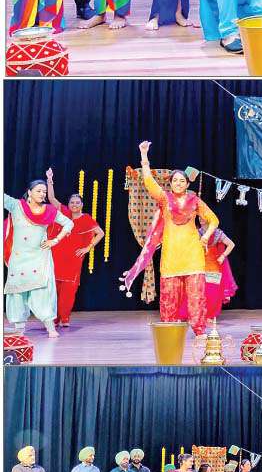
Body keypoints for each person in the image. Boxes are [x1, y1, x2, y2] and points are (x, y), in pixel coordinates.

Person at [121, 141, 219, 338]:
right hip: (171, 256)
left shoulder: (195, 201)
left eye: (182, 181)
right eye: (175, 180)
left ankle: (199, 331)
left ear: (188, 184)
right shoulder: (164, 199)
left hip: (193, 255)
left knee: (196, 296)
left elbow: (214, 220)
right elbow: (149, 182)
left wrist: (206, 236)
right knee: (169, 297)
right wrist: (144, 155)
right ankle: (169, 331)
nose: (178, 183)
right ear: (171, 183)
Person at [4, 180, 74, 338]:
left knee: (42, 292)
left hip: (40, 257)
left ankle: (50, 327)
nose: (42, 194)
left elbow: (69, 223)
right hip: (19, 258)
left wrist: (55, 240)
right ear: (29, 192)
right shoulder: (16, 206)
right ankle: (19, 329)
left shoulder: (49, 210)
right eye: (39, 191)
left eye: (44, 191)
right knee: (17, 292)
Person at [46, 167, 103, 328]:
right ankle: (53, 318)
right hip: (56, 256)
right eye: (72, 202)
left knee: (69, 290)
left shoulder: (86, 219)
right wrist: (49, 180)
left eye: (77, 202)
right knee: (54, 289)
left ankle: (64, 318)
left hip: (74, 258)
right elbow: (51, 198)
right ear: (69, 204)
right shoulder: (63, 212)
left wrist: (88, 248)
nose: (74, 205)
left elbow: (100, 233)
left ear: (82, 205)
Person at [179, 222, 237, 323]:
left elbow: (231, 244)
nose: (201, 220)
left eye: (203, 218)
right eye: (200, 218)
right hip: (199, 266)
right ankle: (194, 315)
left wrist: (222, 256)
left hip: (214, 266)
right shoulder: (197, 233)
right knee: (196, 291)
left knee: (212, 293)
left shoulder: (217, 233)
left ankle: (209, 316)